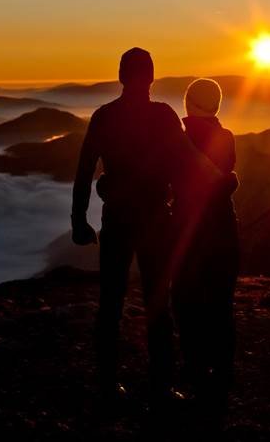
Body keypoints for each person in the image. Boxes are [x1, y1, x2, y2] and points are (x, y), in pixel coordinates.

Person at [71, 47, 206, 409]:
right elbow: (185, 163)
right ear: (150, 77)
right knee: (158, 302)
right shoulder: (163, 116)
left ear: (120, 76)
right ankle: (161, 386)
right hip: (155, 218)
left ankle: (106, 383)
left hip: (117, 217)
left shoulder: (104, 116)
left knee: (110, 302)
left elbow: (85, 169)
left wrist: (78, 219)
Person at [170, 78, 241, 424]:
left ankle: (197, 377)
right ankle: (222, 376)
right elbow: (224, 181)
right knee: (221, 305)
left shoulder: (179, 140)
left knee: (186, 304)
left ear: (190, 104)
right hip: (225, 232)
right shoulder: (226, 139)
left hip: (190, 233)